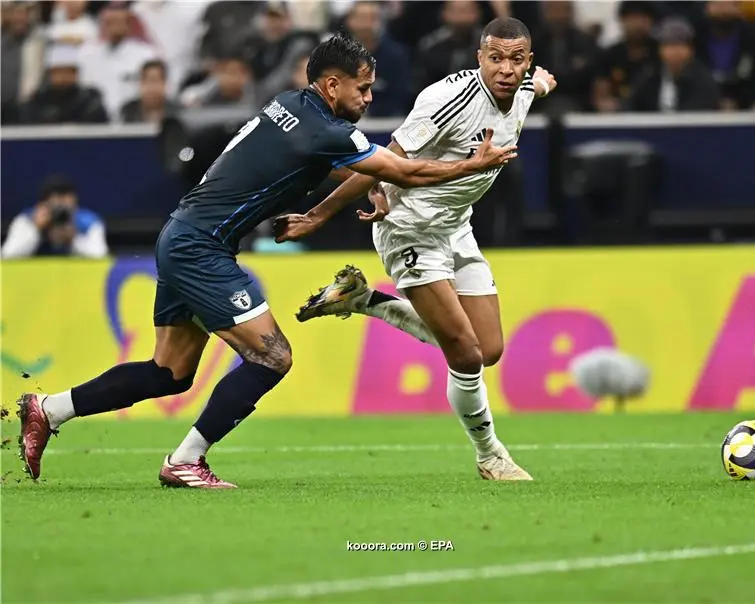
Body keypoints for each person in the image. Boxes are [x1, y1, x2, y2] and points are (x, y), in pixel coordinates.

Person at [17, 32, 517, 489]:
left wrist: (343, 203)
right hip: (200, 248)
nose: (368, 98)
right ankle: (186, 460)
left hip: (182, 235)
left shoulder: (289, 105)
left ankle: (49, 408)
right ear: (331, 84)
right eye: (362, 89)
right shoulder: (327, 132)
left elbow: (360, 170)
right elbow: (403, 169)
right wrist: (470, 165)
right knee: (273, 357)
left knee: (169, 373)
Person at [273, 18, 557, 481]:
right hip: (410, 229)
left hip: (456, 228)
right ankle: (491, 457)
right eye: (495, 58)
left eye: (517, 59)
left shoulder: (525, 87)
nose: (506, 69)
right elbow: (386, 161)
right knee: (464, 355)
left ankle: (364, 300)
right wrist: (319, 215)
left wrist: (541, 83)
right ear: (479, 58)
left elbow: (535, 86)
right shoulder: (447, 100)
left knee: (488, 349)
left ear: (528, 61)